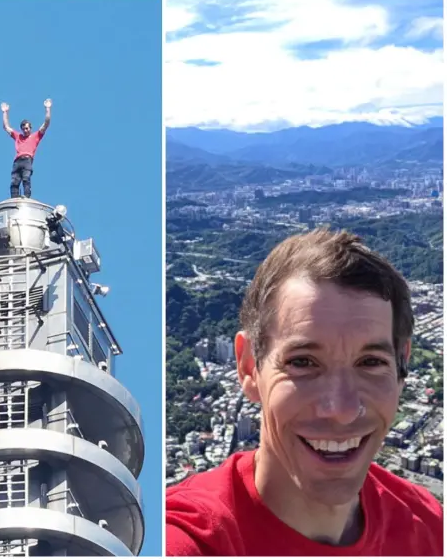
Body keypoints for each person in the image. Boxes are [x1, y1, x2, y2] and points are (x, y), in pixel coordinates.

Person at [166, 228, 443, 556]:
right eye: (303, 362)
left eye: (370, 362)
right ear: (249, 367)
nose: (340, 408)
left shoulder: (429, 529)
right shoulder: (190, 541)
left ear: (402, 368)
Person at [1, 99, 51, 199]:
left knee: (26, 178)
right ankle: (14, 199)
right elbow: (6, 127)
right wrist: (5, 112)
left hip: (27, 159)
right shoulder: (18, 136)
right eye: (24, 129)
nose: (25, 130)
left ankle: (26, 196)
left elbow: (46, 123)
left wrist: (48, 109)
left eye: (27, 128)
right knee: (14, 181)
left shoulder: (36, 136)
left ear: (30, 128)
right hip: (17, 161)